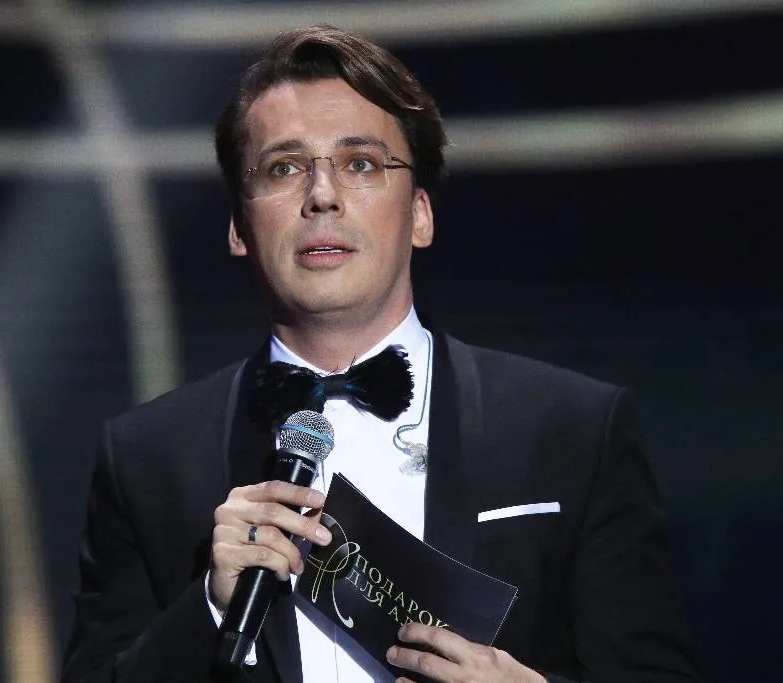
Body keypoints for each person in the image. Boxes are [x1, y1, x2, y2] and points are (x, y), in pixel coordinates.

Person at [61, 25, 701, 683]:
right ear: (238, 226)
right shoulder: (150, 458)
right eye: (284, 168)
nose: (322, 195)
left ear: (420, 213)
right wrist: (208, 606)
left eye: (361, 163)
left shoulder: (572, 430)